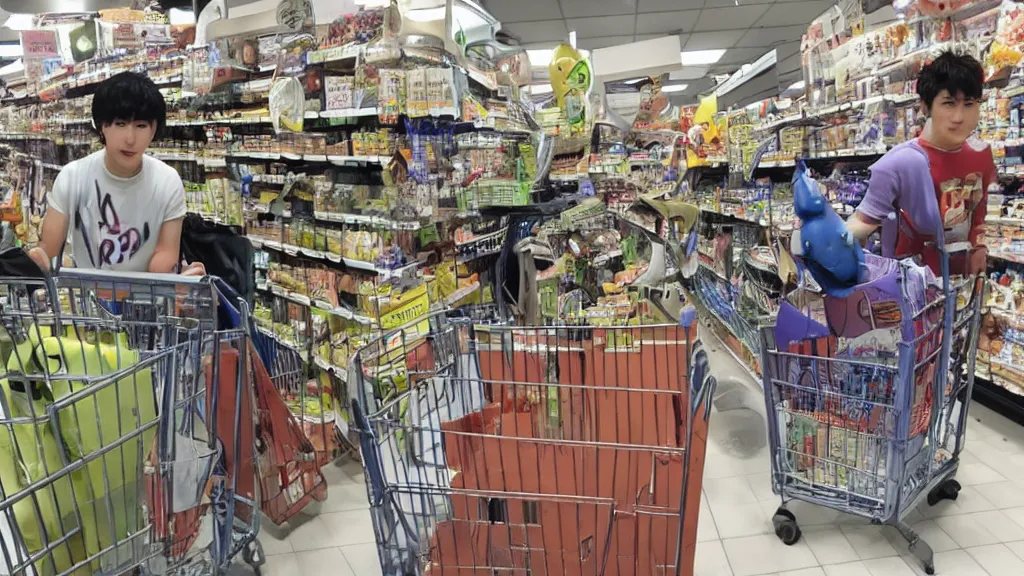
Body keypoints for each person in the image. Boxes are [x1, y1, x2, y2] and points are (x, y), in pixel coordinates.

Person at [28, 71, 202, 275]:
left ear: (153, 130)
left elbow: (164, 256)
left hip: (147, 300)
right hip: (87, 300)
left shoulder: (167, 181)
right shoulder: (72, 177)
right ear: (102, 126)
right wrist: (38, 261)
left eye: (141, 125)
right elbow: (49, 250)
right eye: (120, 124)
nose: (130, 138)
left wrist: (180, 281)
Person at [846, 51, 994, 276]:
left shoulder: (981, 156)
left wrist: (980, 247)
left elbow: (979, 213)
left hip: (967, 291)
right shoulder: (898, 164)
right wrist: (824, 238)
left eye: (969, 104)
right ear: (925, 106)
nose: (959, 117)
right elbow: (863, 222)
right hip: (914, 296)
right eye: (948, 103)